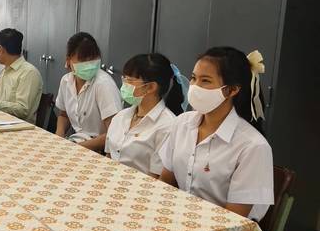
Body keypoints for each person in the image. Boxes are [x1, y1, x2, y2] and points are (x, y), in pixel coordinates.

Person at [159, 47, 273, 221]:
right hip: (177, 219)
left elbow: (233, 219)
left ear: (232, 90)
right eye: (193, 78)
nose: (194, 87)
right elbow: (166, 183)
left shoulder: (253, 146)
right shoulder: (182, 123)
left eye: (205, 81)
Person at [105, 53, 188, 177]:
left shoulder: (167, 126)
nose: (124, 84)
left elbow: (156, 177)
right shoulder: (121, 116)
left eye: (130, 80)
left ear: (150, 87)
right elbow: (108, 157)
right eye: (124, 78)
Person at [55, 32, 122, 151]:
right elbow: (63, 115)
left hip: (100, 149)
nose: (89, 64)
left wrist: (77, 148)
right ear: (69, 60)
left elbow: (113, 134)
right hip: (77, 142)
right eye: (83, 60)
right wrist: (59, 135)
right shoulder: (66, 81)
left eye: (93, 59)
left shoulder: (103, 84)